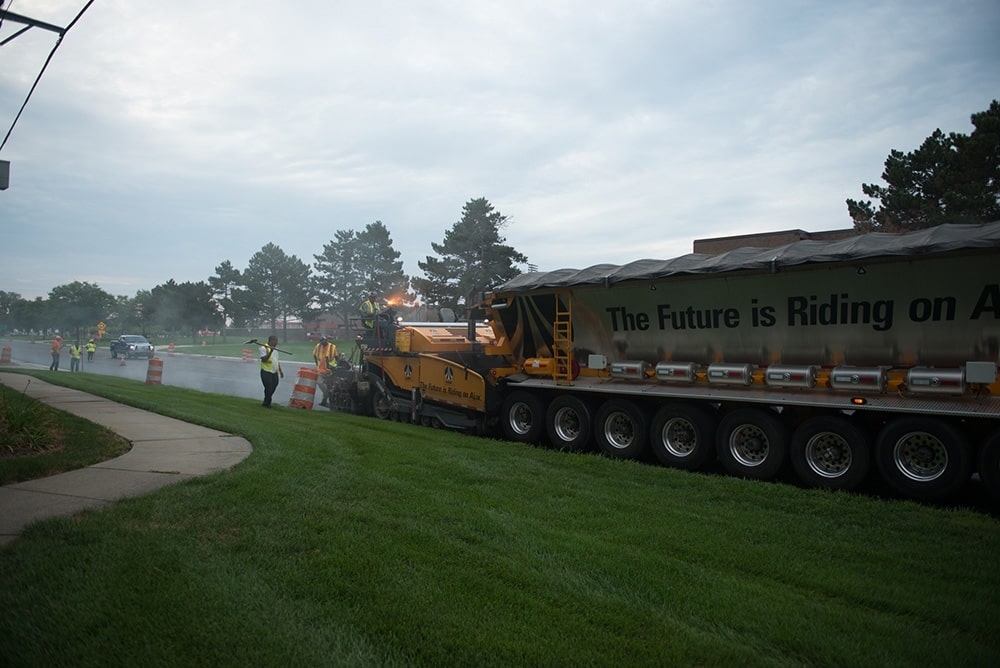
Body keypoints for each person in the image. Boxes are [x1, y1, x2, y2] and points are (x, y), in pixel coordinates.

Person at [312, 336, 338, 407]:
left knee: (329, 385)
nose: (322, 343)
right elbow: (314, 354)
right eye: (321, 342)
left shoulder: (332, 347)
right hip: (321, 370)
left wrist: (336, 366)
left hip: (330, 371)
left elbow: (336, 357)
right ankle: (328, 394)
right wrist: (316, 363)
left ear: (326, 340)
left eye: (323, 341)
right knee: (320, 383)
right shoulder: (318, 346)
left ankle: (324, 401)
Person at [259, 335, 284, 408]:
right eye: (275, 341)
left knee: (274, 385)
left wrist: (280, 371)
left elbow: (276, 360)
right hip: (266, 371)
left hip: (274, 371)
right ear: (271, 341)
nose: (277, 342)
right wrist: (271, 351)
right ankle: (267, 403)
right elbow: (264, 359)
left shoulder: (276, 349)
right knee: (268, 387)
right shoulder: (263, 348)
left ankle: (266, 400)